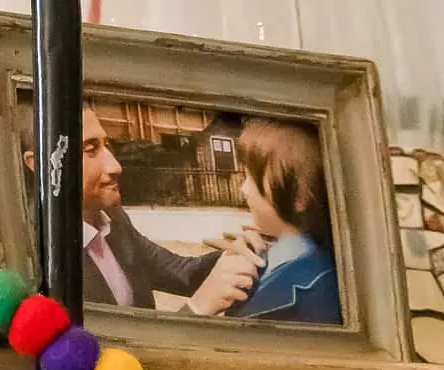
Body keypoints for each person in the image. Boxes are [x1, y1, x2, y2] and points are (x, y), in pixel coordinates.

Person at [80, 105, 254, 316]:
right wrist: (197, 308)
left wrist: (238, 254)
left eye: (107, 145)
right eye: (90, 150)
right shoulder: (39, 266)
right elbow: (105, 348)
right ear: (39, 163)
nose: (115, 166)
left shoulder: (115, 221)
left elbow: (182, 272)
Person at [229, 118, 342, 325]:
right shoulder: (272, 253)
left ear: (299, 195)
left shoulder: (318, 287)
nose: (243, 189)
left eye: (251, 177)